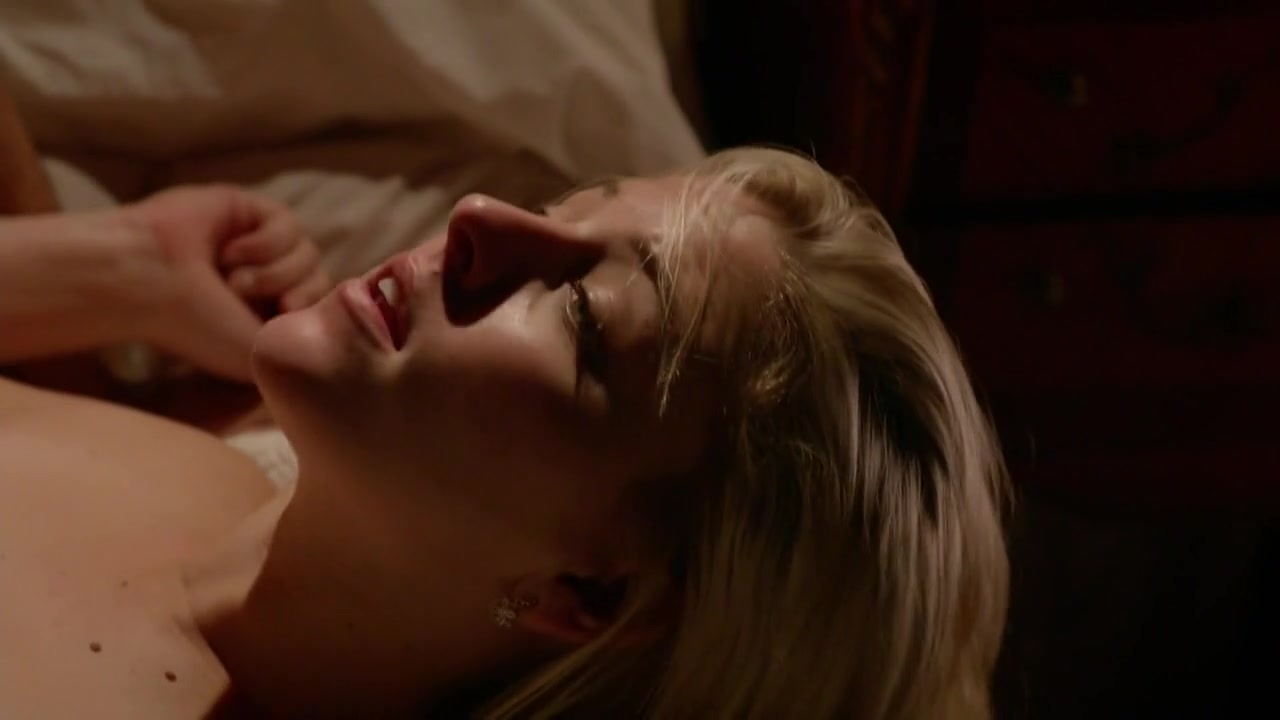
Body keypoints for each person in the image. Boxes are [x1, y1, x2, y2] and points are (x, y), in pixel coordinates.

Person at [0, 147, 1009, 718]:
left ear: (592, 595)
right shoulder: (223, 445)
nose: (479, 214)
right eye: (561, 208)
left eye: (583, 319)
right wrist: (114, 266)